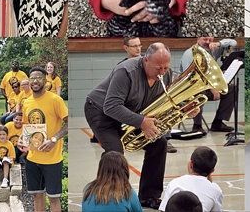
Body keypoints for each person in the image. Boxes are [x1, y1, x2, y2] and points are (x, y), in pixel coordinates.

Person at [85, 43, 199, 209]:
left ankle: (149, 196)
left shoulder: (165, 75)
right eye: (158, 68)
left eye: (166, 68)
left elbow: (166, 101)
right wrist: (141, 122)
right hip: (99, 110)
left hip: (130, 113)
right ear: (145, 60)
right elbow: (111, 106)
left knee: (159, 143)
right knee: (115, 151)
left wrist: (184, 108)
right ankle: (110, 196)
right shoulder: (125, 71)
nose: (162, 72)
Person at [22, 67, 68, 212]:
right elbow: (26, 125)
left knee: (54, 198)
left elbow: (69, 122)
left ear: (45, 80)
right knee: (37, 195)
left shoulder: (55, 100)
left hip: (52, 159)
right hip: (33, 158)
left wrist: (54, 139)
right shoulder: (27, 102)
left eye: (38, 78)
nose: (35, 81)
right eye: (32, 78)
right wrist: (21, 140)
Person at [180, 37, 237, 133]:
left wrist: (218, 44)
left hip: (208, 86)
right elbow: (191, 79)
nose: (207, 42)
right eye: (205, 39)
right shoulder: (189, 54)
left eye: (210, 40)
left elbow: (234, 42)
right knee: (199, 92)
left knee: (232, 89)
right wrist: (212, 89)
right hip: (191, 88)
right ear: (198, 39)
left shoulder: (213, 49)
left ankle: (218, 122)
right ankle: (197, 126)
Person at [158, 146, 223, 212]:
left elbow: (163, 210)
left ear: (190, 164)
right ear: (212, 171)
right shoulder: (215, 189)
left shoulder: (175, 183)